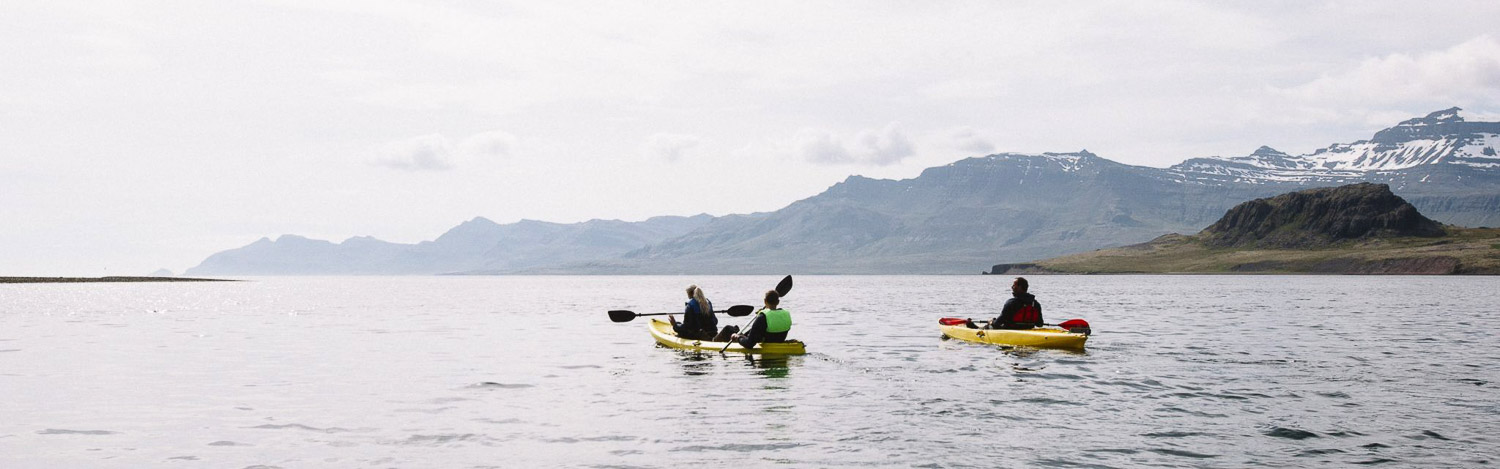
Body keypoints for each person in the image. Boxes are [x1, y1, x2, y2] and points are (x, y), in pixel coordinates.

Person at [974, 277, 1043, 329]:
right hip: (1028, 330)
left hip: (1011, 331)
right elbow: (1040, 324)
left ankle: (975, 328)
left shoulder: (1011, 303)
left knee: (990, 326)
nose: (1012, 287)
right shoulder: (1036, 304)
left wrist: (991, 322)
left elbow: (997, 323)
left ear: (1019, 287)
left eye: (1014, 285)